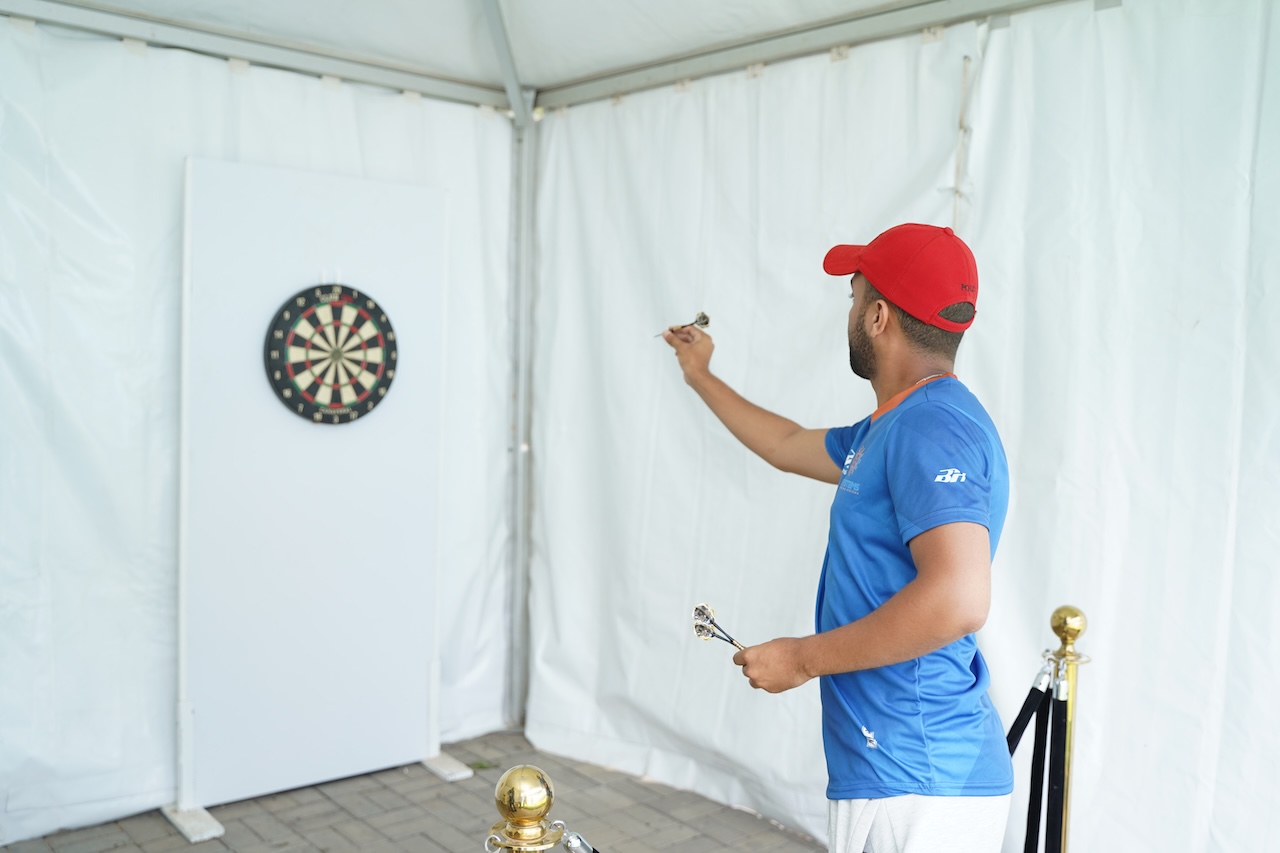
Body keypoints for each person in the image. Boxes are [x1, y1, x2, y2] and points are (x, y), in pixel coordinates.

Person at [663, 223, 1013, 853]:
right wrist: (699, 375)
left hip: (920, 777)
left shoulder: (932, 429)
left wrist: (801, 659)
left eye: (854, 297)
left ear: (878, 317)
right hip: (901, 774)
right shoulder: (894, 425)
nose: (849, 312)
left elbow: (959, 598)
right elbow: (784, 443)